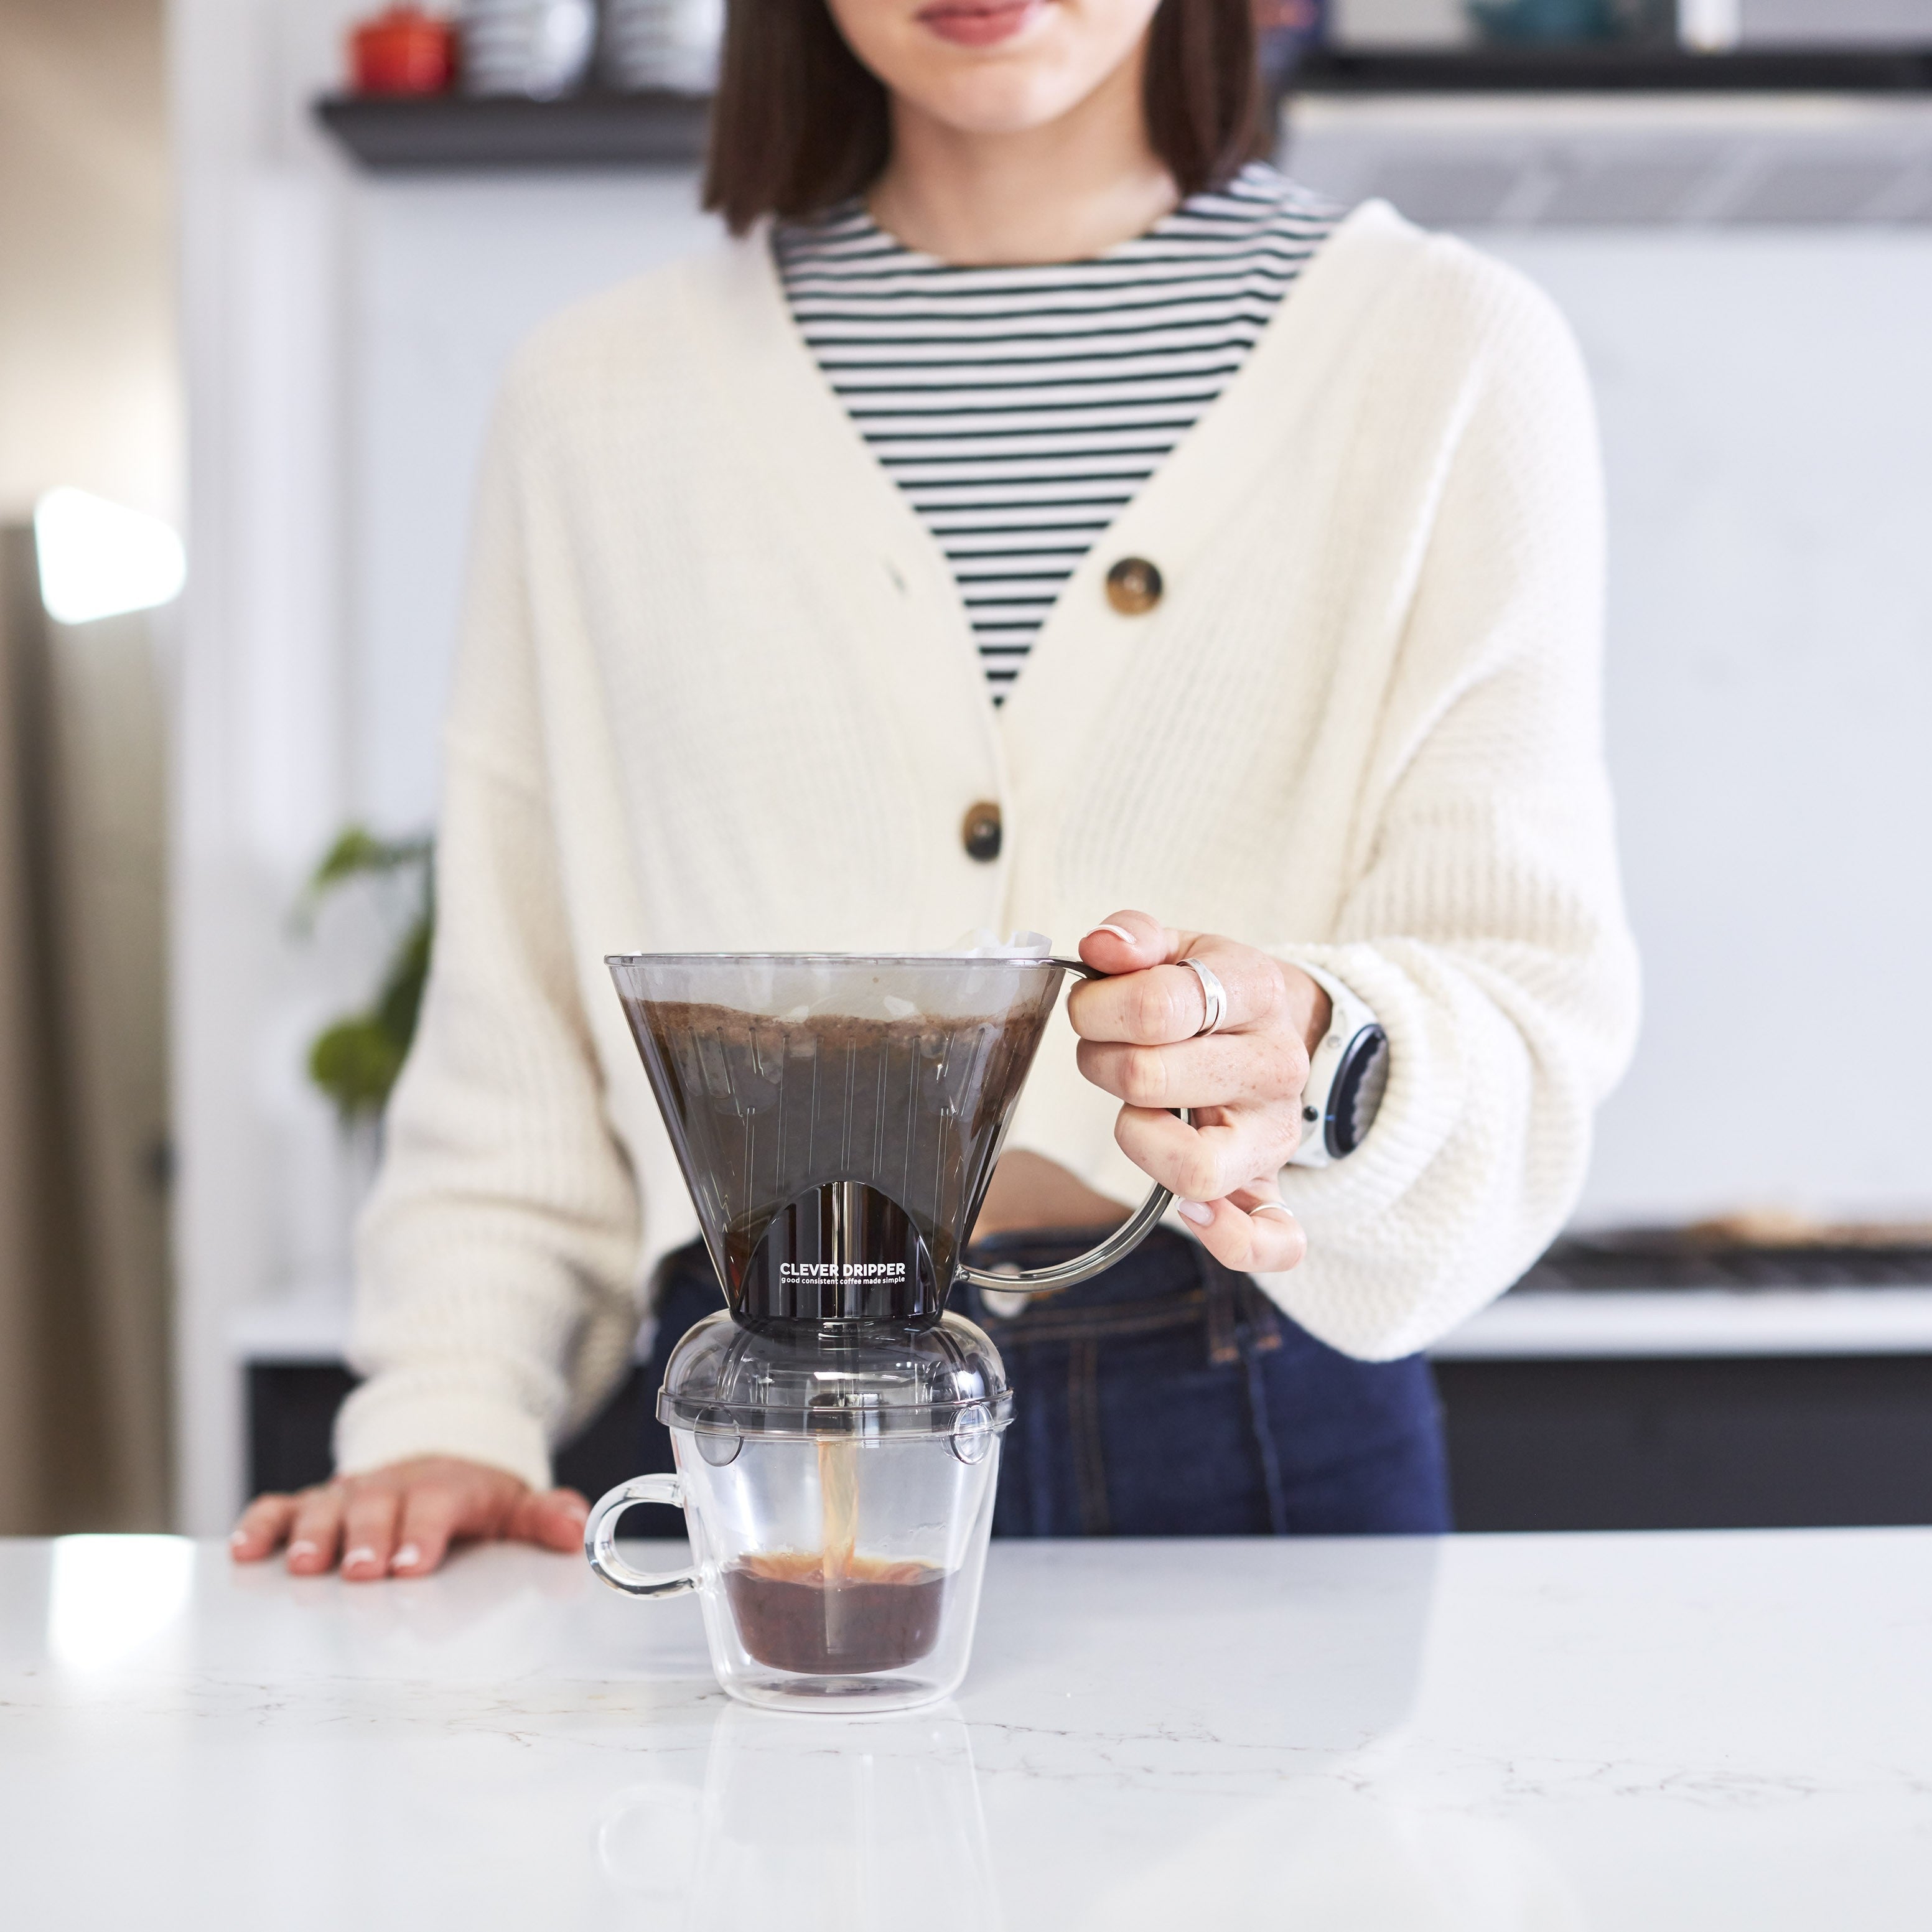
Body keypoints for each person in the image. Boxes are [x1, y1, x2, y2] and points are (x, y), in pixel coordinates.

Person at [233, 0, 1638, 1579]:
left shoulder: (1445, 353)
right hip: (753, 1415)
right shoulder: (593, 400)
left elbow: (1522, 1007)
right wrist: (441, 1411)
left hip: (1253, 1411)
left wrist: (1313, 1051)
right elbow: (514, 1027)